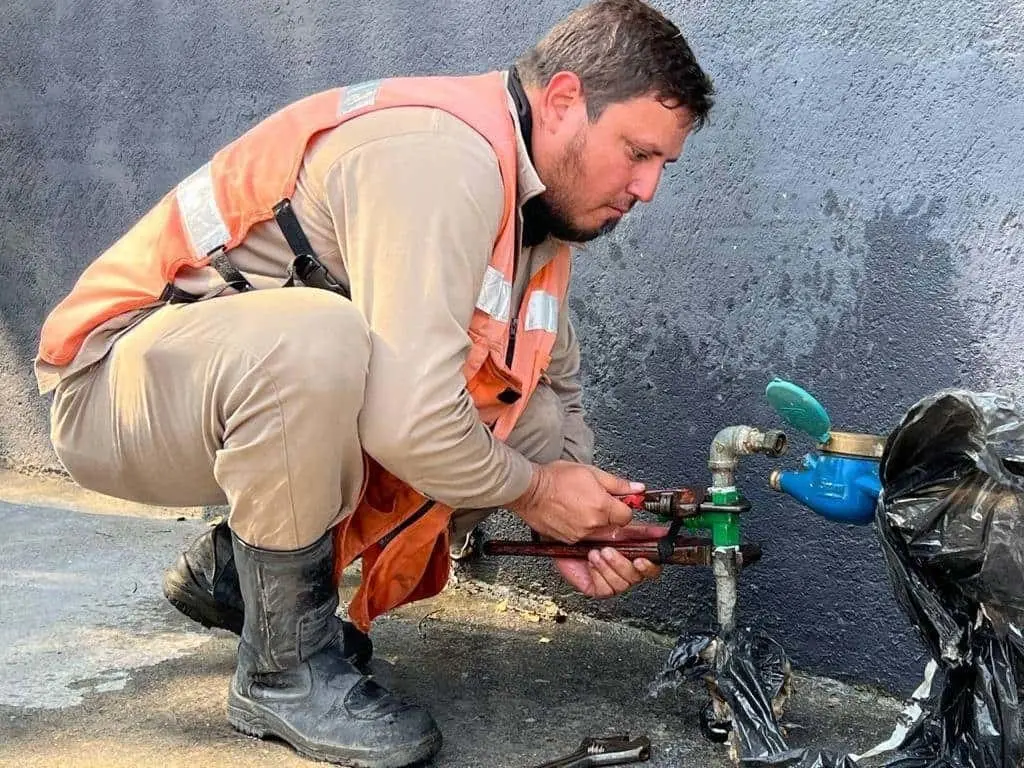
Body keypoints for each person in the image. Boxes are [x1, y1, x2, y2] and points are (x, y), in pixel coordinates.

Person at [35, 0, 714, 764]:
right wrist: (534, 494)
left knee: (536, 427)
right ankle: (283, 672)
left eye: (663, 164)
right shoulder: (441, 156)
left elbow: (548, 384)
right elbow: (410, 423)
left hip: (220, 390)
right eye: (637, 152)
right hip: (114, 386)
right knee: (321, 339)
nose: (648, 188)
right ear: (563, 100)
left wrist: (582, 514)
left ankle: (234, 572)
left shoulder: (539, 216)